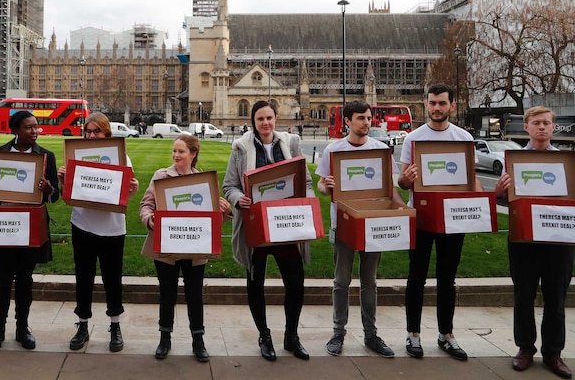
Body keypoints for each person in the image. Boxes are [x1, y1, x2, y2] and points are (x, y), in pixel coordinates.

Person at [222, 100, 312, 361]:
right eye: (260, 118)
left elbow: (305, 180)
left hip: (286, 225)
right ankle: (264, 335)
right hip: (256, 225)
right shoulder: (240, 148)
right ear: (253, 121)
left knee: (295, 284)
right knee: (255, 285)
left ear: (276, 118)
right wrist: (239, 199)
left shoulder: (291, 144)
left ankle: (291, 336)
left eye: (269, 118)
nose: (265, 123)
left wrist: (303, 200)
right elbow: (229, 186)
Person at [397, 83, 482, 360]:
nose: (436, 108)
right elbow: (402, 181)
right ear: (426, 104)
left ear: (452, 106)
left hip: (453, 218)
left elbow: (471, 179)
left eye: (442, 103)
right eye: (432, 103)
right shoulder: (413, 139)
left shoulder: (464, 138)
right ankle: (413, 334)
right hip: (421, 217)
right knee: (416, 277)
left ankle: (446, 334)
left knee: (448, 278)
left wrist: (484, 204)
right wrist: (406, 180)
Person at [317, 100, 404, 358]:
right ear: (347, 121)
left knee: (369, 281)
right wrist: (327, 186)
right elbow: (322, 185)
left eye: (368, 118)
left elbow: (391, 187)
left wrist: (402, 211)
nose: (366, 122)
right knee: (341, 281)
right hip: (343, 224)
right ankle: (338, 332)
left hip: (372, 222)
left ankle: (371, 334)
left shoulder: (381, 150)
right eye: (360, 118)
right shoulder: (333, 150)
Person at [494, 106, 573, 378]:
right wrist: (499, 192)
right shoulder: (513, 160)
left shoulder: (566, 162)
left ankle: (553, 353)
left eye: (547, 123)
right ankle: (525, 348)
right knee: (523, 296)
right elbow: (504, 199)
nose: (542, 127)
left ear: (554, 128)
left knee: (556, 298)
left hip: (558, 239)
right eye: (536, 123)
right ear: (526, 127)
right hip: (523, 239)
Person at [139, 133, 232, 362]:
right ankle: (165, 338)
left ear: (193, 154)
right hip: (167, 247)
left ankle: (198, 340)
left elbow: (213, 218)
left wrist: (224, 210)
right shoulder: (161, 176)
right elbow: (145, 205)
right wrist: (149, 220)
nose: (176, 155)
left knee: (194, 295)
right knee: (167, 293)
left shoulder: (204, 181)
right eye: (174, 151)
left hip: (194, 247)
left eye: (181, 151)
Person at [0, 110, 59, 351]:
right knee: (1, 280)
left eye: (36, 127)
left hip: (30, 228)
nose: (35, 131)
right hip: (3, 226)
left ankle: (22, 328)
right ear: (15, 130)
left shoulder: (46, 156)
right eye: (29, 127)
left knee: (25, 280)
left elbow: (54, 197)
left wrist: (48, 189)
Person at [58, 111, 139, 353]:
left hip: (112, 228)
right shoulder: (76, 157)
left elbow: (125, 196)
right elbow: (67, 199)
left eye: (97, 131)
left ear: (107, 133)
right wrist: (64, 181)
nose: (92, 135)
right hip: (83, 224)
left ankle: (115, 326)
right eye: (88, 131)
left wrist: (132, 189)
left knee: (112, 279)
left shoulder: (121, 156)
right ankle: (82, 325)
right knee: (83, 278)